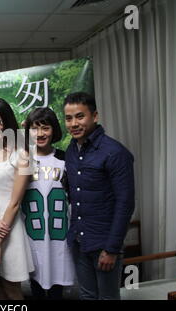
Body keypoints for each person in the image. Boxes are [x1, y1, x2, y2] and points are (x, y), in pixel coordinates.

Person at [63, 92, 135, 300]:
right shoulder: (71, 150)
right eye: (68, 118)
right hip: (79, 240)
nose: (74, 123)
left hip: (104, 243)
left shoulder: (115, 153)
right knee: (86, 296)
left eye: (80, 116)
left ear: (94, 116)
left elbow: (125, 203)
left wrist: (112, 249)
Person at [0, 98, 34, 300]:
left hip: (8, 229)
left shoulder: (22, 154)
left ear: (8, 121)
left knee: (11, 288)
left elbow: (15, 202)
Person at [22, 107, 75, 299]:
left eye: (45, 128)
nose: (40, 133)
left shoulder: (65, 159)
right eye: (35, 128)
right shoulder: (23, 159)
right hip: (32, 236)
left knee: (56, 291)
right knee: (35, 287)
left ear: (54, 130)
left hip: (58, 237)